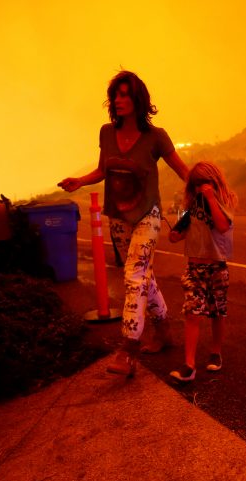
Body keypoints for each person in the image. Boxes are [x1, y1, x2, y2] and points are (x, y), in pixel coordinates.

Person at [58, 70, 189, 377]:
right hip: (118, 217)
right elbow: (103, 169)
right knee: (144, 276)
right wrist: (80, 181)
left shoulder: (156, 137)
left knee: (134, 274)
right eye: (116, 95)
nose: (118, 100)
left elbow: (184, 170)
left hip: (148, 215)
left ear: (138, 99)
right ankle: (164, 331)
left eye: (125, 94)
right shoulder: (106, 132)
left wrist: (207, 187)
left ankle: (128, 349)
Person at [168, 161, 237, 382]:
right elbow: (178, 233)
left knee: (217, 312)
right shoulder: (192, 208)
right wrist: (176, 234)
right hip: (194, 267)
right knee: (192, 312)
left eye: (205, 182)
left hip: (216, 266)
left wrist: (210, 198)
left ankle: (216, 352)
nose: (201, 188)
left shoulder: (224, 202)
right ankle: (189, 365)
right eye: (196, 184)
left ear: (215, 181)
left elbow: (222, 226)